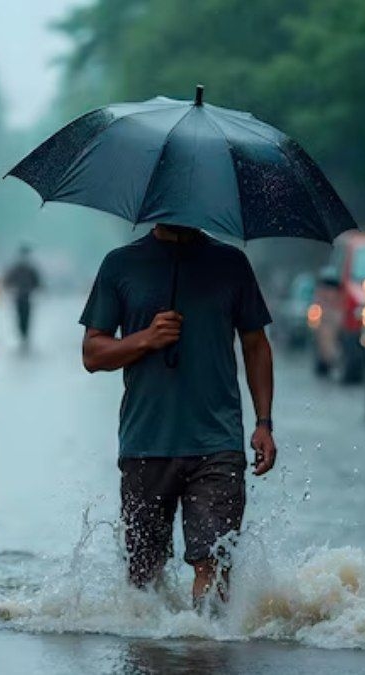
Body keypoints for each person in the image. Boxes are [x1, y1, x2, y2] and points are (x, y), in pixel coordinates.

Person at [79, 223, 277, 607]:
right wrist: (147, 339)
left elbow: (256, 344)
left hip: (218, 443)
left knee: (215, 565)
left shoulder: (231, 263)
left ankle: (206, 656)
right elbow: (92, 353)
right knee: (144, 574)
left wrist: (264, 423)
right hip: (145, 443)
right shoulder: (120, 265)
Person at [3, 244, 42, 346]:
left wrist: (32, 289)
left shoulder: (30, 270)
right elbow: (7, 281)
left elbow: (38, 283)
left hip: (27, 297)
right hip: (19, 297)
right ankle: (22, 335)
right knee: (20, 317)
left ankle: (25, 335)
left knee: (26, 317)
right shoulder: (16, 269)